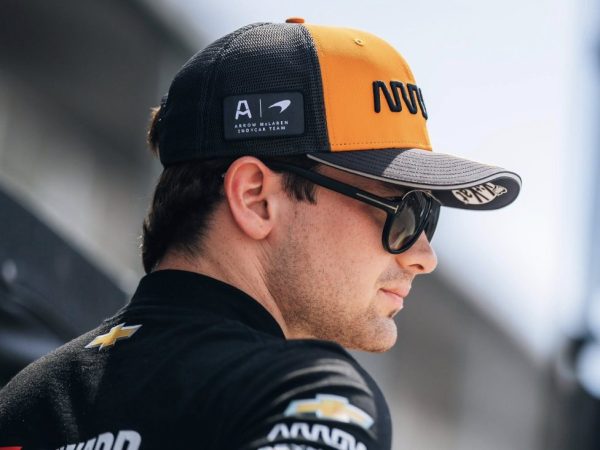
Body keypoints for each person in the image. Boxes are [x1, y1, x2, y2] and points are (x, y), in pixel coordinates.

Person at [0, 18, 521, 450]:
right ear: (255, 198)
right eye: (404, 211)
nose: (424, 255)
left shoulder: (22, 400)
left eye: (429, 218)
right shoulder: (309, 397)